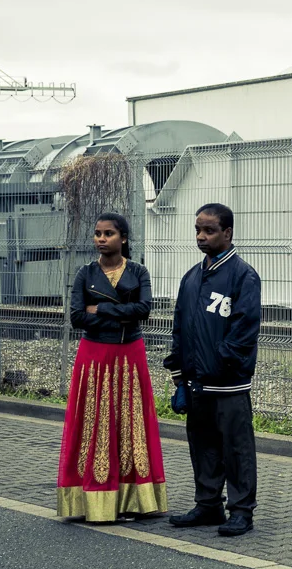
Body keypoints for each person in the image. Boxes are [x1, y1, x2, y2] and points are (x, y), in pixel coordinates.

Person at [56, 212, 165, 522]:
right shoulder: (84, 273)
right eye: (98, 233)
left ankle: (135, 500)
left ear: (123, 238)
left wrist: (101, 307)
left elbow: (144, 310)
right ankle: (92, 498)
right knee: (95, 421)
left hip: (130, 354)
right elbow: (77, 317)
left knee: (131, 420)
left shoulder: (139, 271)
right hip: (96, 355)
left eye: (108, 234)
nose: (101, 239)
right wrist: (120, 312)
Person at [165, 202, 262, 537]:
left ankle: (241, 511)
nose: (201, 237)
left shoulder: (243, 276)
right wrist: (178, 369)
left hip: (227, 383)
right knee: (203, 445)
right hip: (196, 383)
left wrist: (218, 364)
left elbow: (244, 331)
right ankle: (208, 505)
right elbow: (180, 325)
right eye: (197, 230)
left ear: (227, 233)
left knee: (236, 449)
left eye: (209, 230)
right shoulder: (192, 277)